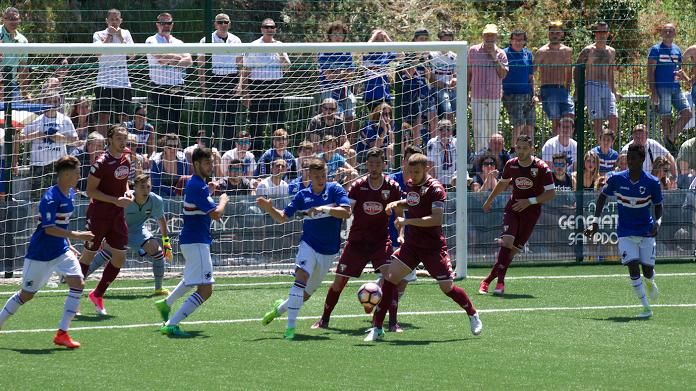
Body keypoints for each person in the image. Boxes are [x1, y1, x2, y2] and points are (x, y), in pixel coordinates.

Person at [365, 153, 482, 341]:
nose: (412, 176)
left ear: (427, 169)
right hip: (412, 245)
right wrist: (397, 203)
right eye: (410, 172)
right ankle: (377, 328)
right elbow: (412, 202)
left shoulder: (436, 188)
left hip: (433, 247)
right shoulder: (411, 184)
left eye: (417, 172)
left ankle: (472, 313)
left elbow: (436, 219)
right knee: (390, 279)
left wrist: (407, 220)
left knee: (447, 288)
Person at [0, 156, 93, 348]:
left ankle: (62, 334)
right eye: (77, 173)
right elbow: (49, 229)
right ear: (66, 174)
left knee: (78, 283)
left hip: (61, 249)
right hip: (41, 252)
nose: (79, 176)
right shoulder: (51, 198)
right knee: (26, 295)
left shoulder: (71, 193)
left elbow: (62, 225)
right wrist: (78, 235)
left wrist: (68, 243)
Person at [310, 148, 403, 331]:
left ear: (384, 165)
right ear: (366, 165)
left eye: (378, 164)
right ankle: (324, 320)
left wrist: (401, 235)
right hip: (356, 243)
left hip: (380, 243)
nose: (374, 168)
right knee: (338, 283)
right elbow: (346, 211)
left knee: (391, 280)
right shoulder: (358, 186)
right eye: (371, 164)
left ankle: (392, 323)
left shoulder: (392, 187)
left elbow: (399, 214)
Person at [258, 157, 351, 339]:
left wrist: (323, 209)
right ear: (309, 175)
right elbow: (283, 217)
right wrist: (270, 209)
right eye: (316, 176)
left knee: (305, 295)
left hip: (329, 251)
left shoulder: (335, 190)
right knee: (301, 278)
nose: (321, 180)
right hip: (308, 244)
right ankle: (290, 328)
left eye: (323, 175)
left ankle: (279, 309)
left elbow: (346, 212)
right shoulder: (302, 195)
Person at [155, 148, 229, 335]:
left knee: (191, 280)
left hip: (192, 239)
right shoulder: (198, 185)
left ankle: (166, 303)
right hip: (196, 241)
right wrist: (223, 200)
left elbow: (200, 204)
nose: (210, 166)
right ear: (196, 164)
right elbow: (216, 214)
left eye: (211, 162)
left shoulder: (196, 183)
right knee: (205, 290)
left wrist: (209, 192)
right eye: (206, 163)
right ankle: (171, 323)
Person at [584, 143, 662, 318]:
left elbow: (658, 205)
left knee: (647, 271)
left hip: (646, 232)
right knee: (633, 267)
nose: (630, 161)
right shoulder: (617, 179)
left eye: (634, 158)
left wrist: (658, 223)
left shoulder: (652, 182)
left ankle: (649, 281)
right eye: (628, 158)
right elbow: (603, 195)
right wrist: (595, 223)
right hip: (625, 232)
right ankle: (646, 308)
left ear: (643, 159)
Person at [480, 134, 556, 295]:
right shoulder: (511, 164)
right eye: (518, 148)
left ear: (532, 149)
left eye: (525, 148)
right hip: (513, 208)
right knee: (507, 242)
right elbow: (503, 182)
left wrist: (530, 201)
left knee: (511, 252)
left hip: (531, 213)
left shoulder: (541, 168)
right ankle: (500, 284)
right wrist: (489, 199)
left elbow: (551, 194)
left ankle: (487, 280)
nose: (520, 151)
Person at [78, 124, 134, 315]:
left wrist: (127, 192)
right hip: (98, 216)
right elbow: (90, 191)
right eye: (119, 138)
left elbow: (123, 180)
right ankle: (74, 298)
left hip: (117, 216)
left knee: (119, 257)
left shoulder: (126, 158)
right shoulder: (100, 162)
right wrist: (115, 200)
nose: (123, 142)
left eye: (124, 138)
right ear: (109, 139)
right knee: (88, 256)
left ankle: (97, 294)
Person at [85, 174, 172, 295]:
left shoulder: (156, 200)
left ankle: (159, 288)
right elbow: (107, 215)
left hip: (137, 230)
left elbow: (160, 218)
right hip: (117, 229)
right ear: (134, 188)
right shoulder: (125, 198)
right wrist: (103, 236)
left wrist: (166, 242)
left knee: (157, 250)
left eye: (148, 187)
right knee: (108, 251)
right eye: (142, 187)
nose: (145, 190)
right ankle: (78, 280)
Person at [12, 93, 78, 200]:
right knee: (36, 199)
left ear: (59, 104)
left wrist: (62, 138)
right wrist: (34, 135)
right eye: (49, 102)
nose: (52, 104)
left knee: (59, 198)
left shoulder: (65, 120)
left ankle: (58, 217)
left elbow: (75, 141)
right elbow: (21, 138)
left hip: (58, 165)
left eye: (55, 102)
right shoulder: (35, 119)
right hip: (38, 165)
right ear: (43, 103)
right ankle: (36, 217)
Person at [240, 18, 291, 156]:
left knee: (279, 124)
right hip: (258, 87)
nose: (269, 29)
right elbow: (245, 71)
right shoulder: (253, 45)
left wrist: (279, 52)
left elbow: (287, 68)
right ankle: (255, 158)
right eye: (266, 27)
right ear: (262, 29)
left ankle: (277, 157)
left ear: (275, 29)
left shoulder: (280, 45)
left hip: (276, 86)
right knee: (256, 126)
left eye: (272, 27)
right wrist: (245, 93)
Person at [197, 13, 243, 151]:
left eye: (225, 22)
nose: (223, 24)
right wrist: (204, 89)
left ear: (229, 24)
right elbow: (201, 67)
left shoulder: (236, 41)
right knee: (212, 124)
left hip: (232, 81)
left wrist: (240, 85)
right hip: (213, 81)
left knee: (231, 124)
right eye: (220, 22)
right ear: (215, 24)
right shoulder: (205, 40)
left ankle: (228, 157)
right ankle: (210, 154)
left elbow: (241, 66)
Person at [647, 23, 692, 153]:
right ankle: (668, 150)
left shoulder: (677, 49)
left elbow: (680, 67)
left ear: (675, 34)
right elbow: (650, 72)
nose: (668, 33)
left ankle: (668, 141)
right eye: (665, 31)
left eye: (671, 31)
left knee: (687, 113)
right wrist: (653, 91)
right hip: (662, 88)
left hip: (676, 88)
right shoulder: (655, 50)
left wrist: (681, 73)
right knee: (666, 118)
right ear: (661, 33)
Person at [145, 12, 193, 135]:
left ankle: (174, 151)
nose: (166, 25)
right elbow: (160, 58)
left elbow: (189, 61)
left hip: (178, 88)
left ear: (172, 24)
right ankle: (167, 151)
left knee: (176, 123)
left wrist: (171, 61)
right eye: (163, 23)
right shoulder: (151, 40)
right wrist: (178, 57)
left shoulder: (179, 42)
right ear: (157, 24)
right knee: (166, 124)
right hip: (160, 88)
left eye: (169, 23)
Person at [574, 21, 622, 139]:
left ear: (608, 34)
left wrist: (614, 92)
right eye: (599, 32)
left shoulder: (611, 51)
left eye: (604, 32)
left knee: (614, 118)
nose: (602, 35)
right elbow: (577, 69)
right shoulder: (588, 50)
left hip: (605, 86)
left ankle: (608, 147)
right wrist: (577, 88)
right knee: (598, 121)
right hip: (591, 85)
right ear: (595, 33)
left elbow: (610, 73)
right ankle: (599, 149)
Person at [93, 9, 135, 137]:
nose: (114, 23)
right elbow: (97, 53)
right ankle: (101, 147)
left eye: (117, 20)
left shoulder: (126, 33)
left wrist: (119, 37)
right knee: (103, 118)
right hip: (103, 83)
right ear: (107, 21)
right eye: (112, 20)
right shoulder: (98, 34)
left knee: (124, 119)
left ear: (121, 20)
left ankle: (123, 147)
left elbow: (132, 55)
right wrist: (110, 36)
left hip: (122, 83)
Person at [467, 24, 509, 152]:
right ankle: (481, 158)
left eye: (492, 35)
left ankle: (493, 157)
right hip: (477, 96)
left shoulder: (501, 54)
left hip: (494, 97)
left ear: (496, 37)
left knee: (492, 129)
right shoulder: (473, 51)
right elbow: (468, 73)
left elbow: (503, 74)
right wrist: (465, 93)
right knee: (479, 129)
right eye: (487, 35)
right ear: (483, 36)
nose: (490, 38)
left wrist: (494, 57)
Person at [318, 21, 357, 147]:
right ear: (329, 36)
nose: (338, 37)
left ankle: (350, 148)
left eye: (340, 34)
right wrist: (342, 73)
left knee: (351, 114)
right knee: (336, 117)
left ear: (344, 37)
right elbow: (328, 76)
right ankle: (334, 148)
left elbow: (351, 76)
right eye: (335, 34)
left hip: (344, 88)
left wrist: (338, 73)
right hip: (329, 89)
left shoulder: (347, 52)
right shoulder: (324, 51)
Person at [534, 21, 574, 136]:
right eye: (552, 33)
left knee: (569, 118)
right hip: (548, 89)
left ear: (562, 34)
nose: (554, 35)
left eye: (557, 33)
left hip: (562, 90)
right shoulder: (542, 52)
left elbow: (568, 71)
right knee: (556, 121)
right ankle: (556, 149)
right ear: (548, 34)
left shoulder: (567, 51)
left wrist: (568, 89)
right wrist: (535, 93)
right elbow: (531, 73)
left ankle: (567, 145)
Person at [502, 29, 538, 148]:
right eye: (515, 39)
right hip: (511, 94)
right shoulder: (504, 53)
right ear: (511, 40)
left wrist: (534, 94)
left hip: (527, 94)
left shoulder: (528, 54)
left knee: (529, 125)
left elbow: (531, 76)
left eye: (521, 39)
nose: (518, 42)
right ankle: (514, 150)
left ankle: (529, 151)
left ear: (524, 41)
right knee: (520, 123)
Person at [402, 27, 436, 142]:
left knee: (433, 116)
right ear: (415, 39)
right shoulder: (407, 52)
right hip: (410, 89)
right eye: (421, 38)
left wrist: (425, 58)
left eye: (426, 39)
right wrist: (417, 57)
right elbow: (409, 74)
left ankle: (434, 146)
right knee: (416, 118)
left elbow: (428, 76)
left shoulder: (427, 54)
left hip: (423, 89)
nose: (424, 41)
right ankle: (416, 146)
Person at [307, 98, 356, 165]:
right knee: (317, 153)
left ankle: (349, 174)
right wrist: (336, 150)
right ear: (322, 109)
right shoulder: (316, 121)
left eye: (332, 109)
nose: (329, 111)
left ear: (336, 110)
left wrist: (344, 149)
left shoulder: (339, 121)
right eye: (326, 109)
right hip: (319, 152)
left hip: (334, 153)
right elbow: (316, 146)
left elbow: (346, 141)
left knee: (352, 152)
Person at [363, 29, 400, 112]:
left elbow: (401, 56)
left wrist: (388, 39)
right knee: (376, 122)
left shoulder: (386, 54)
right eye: (377, 39)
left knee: (387, 122)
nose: (379, 41)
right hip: (370, 96)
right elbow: (365, 49)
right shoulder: (367, 54)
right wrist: (373, 36)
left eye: (382, 39)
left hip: (385, 95)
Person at [0, 7, 30, 102]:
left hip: (10, 84)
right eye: (10, 18)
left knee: (15, 112)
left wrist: (25, 94)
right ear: (3, 20)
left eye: (16, 19)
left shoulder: (23, 41)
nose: (13, 22)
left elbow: (23, 68)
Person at [431, 28, 460, 124]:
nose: (447, 43)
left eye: (449, 41)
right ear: (439, 41)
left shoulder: (454, 56)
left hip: (451, 88)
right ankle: (449, 136)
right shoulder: (433, 55)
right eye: (444, 41)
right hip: (438, 89)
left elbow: (455, 76)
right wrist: (445, 85)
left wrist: (454, 81)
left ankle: (462, 137)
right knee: (449, 112)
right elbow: (431, 80)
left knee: (460, 112)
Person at [426, 119, 457, 187]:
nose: (444, 132)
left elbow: (459, 164)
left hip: (453, 182)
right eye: (441, 129)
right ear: (437, 130)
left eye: (447, 130)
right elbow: (431, 165)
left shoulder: (456, 142)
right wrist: (435, 184)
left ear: (451, 131)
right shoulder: (432, 143)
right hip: (437, 181)